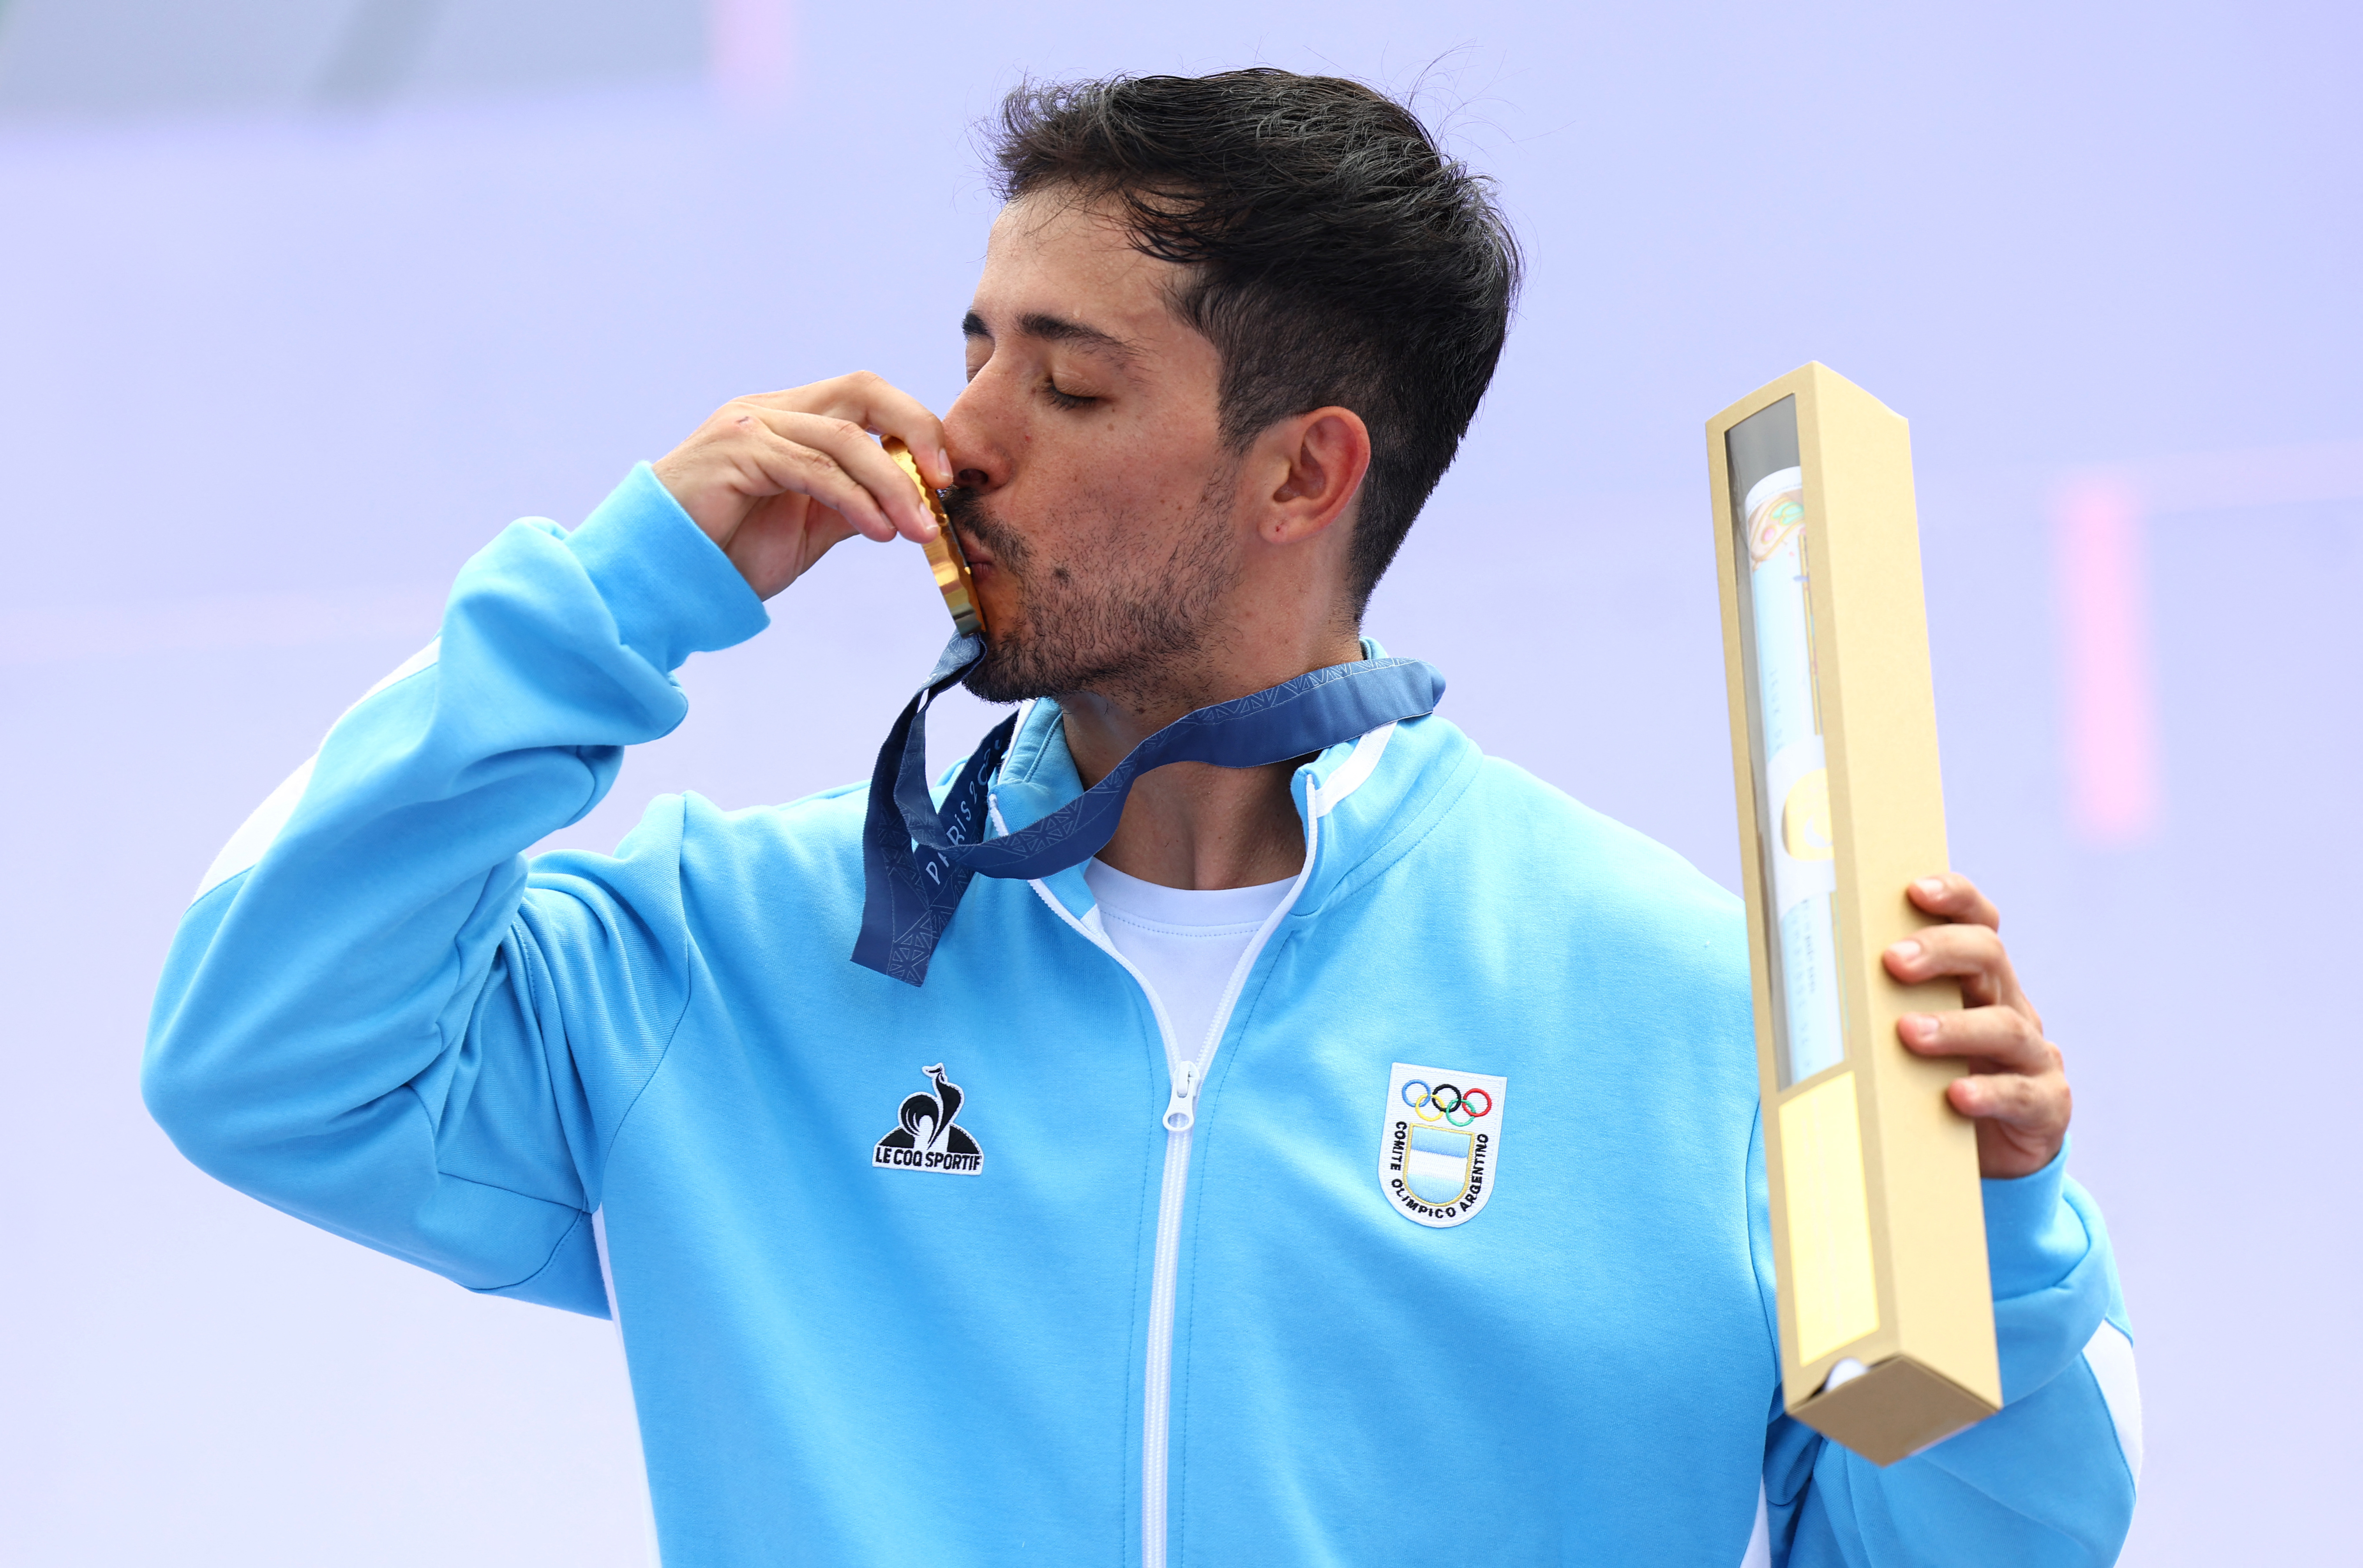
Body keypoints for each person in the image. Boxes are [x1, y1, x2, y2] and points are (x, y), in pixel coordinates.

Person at [143, 70, 2137, 1566]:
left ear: (1302, 476)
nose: (958, 440)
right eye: (975, 349)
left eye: (1070, 385)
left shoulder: (1696, 1009)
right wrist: (619, 596)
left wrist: (1994, 1238)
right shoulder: (722, 957)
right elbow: (261, 1054)